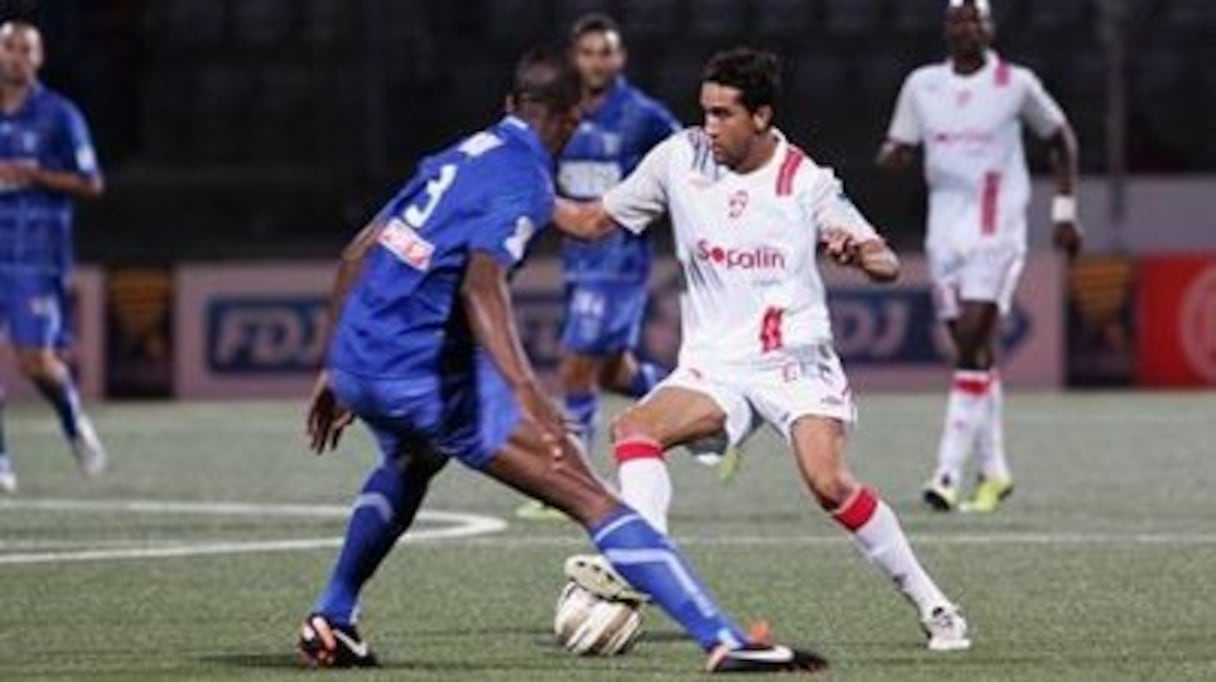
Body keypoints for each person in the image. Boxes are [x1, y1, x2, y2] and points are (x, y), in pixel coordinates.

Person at [298, 47, 826, 674]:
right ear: (573, 119)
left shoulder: (460, 155)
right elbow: (482, 284)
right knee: (590, 496)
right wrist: (529, 398)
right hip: (423, 373)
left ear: (509, 105)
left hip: (361, 356)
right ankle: (724, 640)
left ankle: (333, 616)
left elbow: (358, 252)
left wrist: (334, 364)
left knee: (413, 459)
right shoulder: (525, 175)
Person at [554, 47, 971, 652]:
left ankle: (936, 607)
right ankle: (644, 561)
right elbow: (595, 222)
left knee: (828, 484)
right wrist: (528, 198)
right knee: (634, 430)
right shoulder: (679, 158)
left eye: (723, 114)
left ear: (761, 117)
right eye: (705, 111)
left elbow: (881, 258)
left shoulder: (805, 181)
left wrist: (861, 253)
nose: (709, 127)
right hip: (714, 366)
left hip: (794, 362)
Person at [876, 0, 1081, 513]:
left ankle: (946, 473)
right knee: (971, 350)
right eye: (959, 19)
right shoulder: (922, 85)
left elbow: (1061, 139)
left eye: (977, 19)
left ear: (991, 28)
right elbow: (898, 144)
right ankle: (995, 472)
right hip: (943, 228)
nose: (968, 27)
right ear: (947, 30)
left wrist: (1063, 210)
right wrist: (892, 156)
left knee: (970, 341)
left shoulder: (1016, 83)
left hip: (999, 225)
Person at [516, 13, 682, 521]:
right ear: (574, 58)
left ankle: (571, 477)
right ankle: (702, 404)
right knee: (612, 371)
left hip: (619, 257)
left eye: (605, 52)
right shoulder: (558, 113)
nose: (596, 62)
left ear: (620, 58)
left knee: (574, 364)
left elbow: (686, 162)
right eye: (587, 53)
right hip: (576, 256)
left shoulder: (643, 115)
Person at [0, 21, 107, 493]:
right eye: (8, 47)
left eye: (26, 49)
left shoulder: (59, 115)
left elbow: (91, 182)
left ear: (39, 58)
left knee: (36, 363)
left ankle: (72, 419)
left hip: (35, 256)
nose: (16, 56)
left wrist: (34, 174)